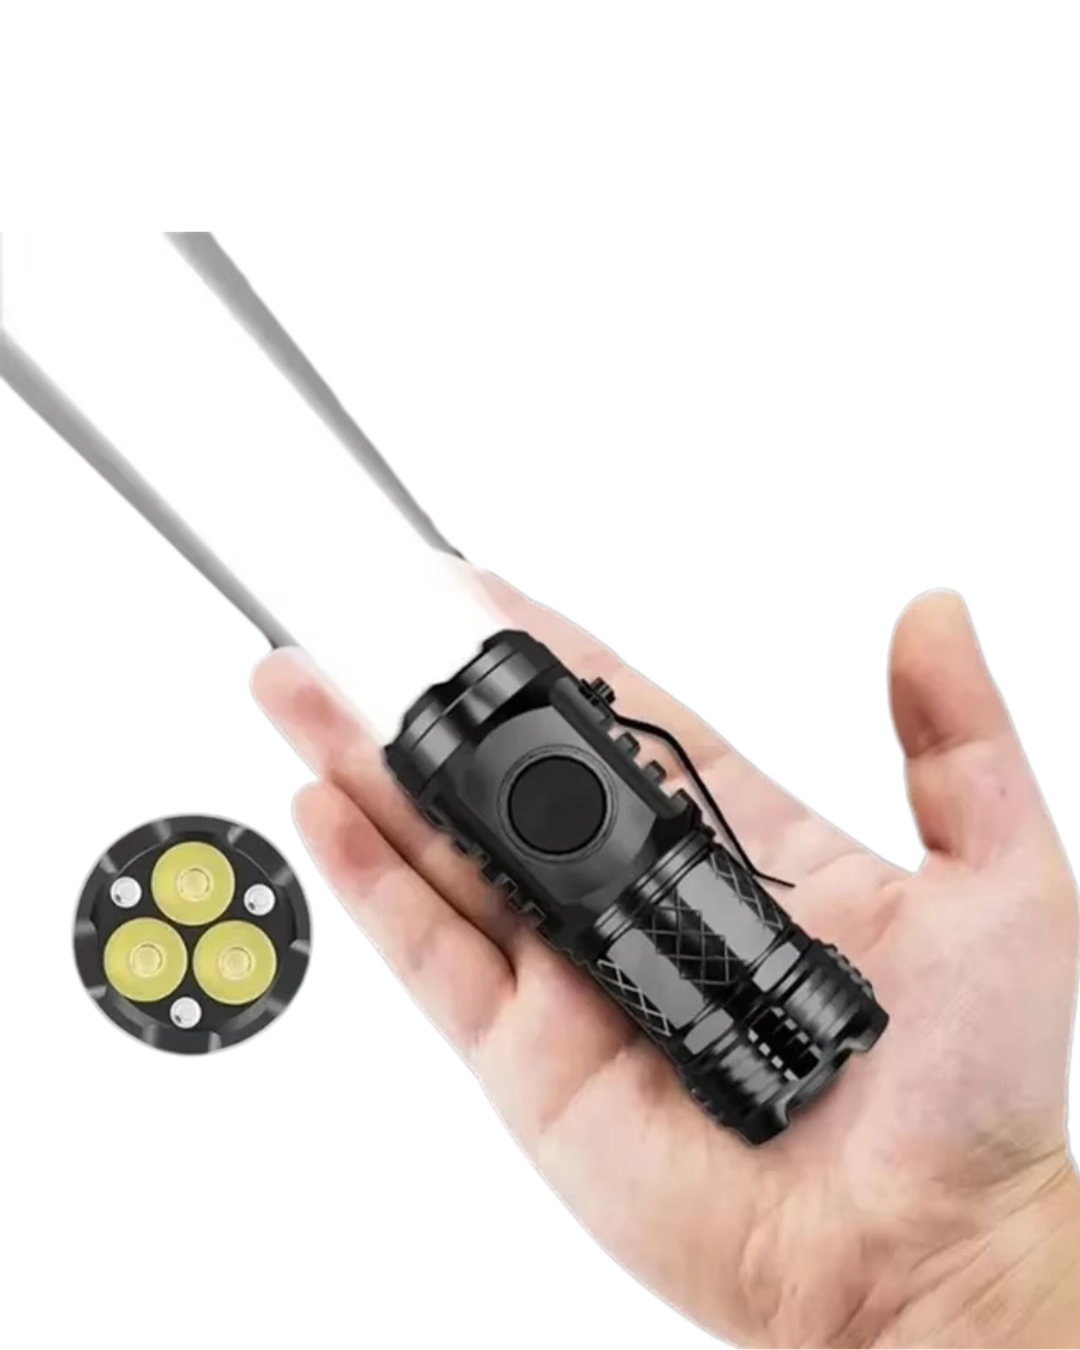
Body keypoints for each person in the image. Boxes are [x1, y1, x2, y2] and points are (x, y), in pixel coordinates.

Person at [254, 571, 1080, 1349]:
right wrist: (967, 1279)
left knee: (609, 880)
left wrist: (963, 1266)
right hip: (659, 931)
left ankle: (773, 1044)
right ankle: (766, 1046)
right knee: (610, 885)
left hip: (660, 920)